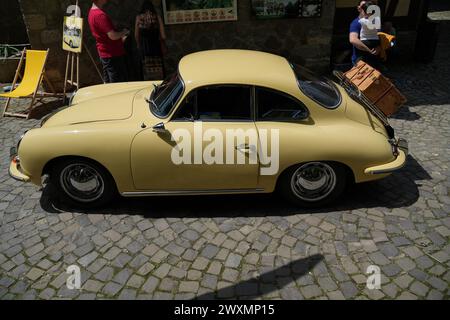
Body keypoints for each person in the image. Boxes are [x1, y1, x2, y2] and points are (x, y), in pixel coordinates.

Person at [88, 0, 129, 83]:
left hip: (105, 53)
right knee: (116, 84)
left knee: (108, 82)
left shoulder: (92, 12)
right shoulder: (100, 15)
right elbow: (112, 36)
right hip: (112, 54)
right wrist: (124, 32)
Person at [135, 1, 167, 81]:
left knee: (145, 69)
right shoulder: (157, 17)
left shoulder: (139, 18)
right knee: (158, 68)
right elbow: (163, 35)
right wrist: (163, 43)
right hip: (156, 47)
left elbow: (136, 35)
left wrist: (138, 44)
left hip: (144, 47)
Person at [349, 1, 382, 67]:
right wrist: (368, 49)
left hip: (374, 58)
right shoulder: (356, 23)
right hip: (360, 58)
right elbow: (353, 39)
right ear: (359, 8)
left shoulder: (374, 21)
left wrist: (379, 47)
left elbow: (379, 35)